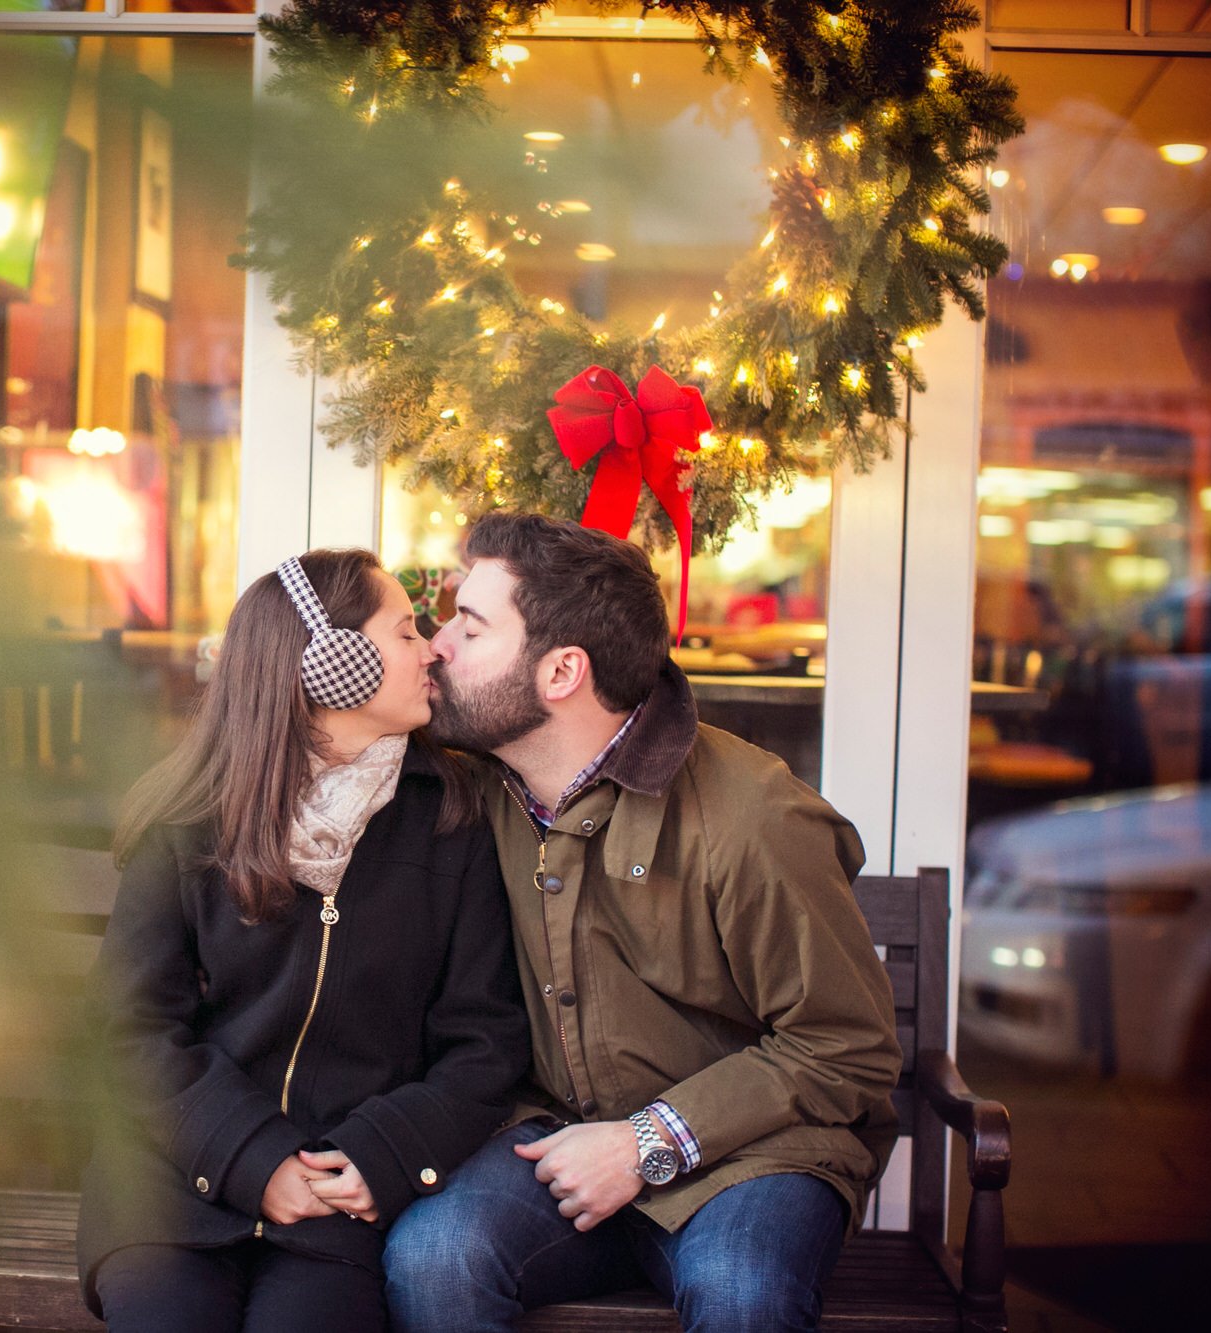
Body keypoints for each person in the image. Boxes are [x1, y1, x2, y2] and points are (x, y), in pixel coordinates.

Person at [386, 513, 902, 1333]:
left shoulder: (752, 815)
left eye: (469, 625)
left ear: (561, 671)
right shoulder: (481, 782)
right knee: (433, 1258)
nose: (438, 644)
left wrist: (643, 1142)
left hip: (754, 1156)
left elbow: (849, 1044)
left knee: (742, 1287)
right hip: (553, 1138)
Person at [76, 548, 532, 1333]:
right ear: (334, 663)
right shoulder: (188, 816)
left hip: (338, 1202)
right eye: (405, 631)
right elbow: (130, 1030)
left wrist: (378, 1157)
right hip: (172, 1191)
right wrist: (256, 1160)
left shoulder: (450, 816)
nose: (432, 649)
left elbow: (484, 1041)